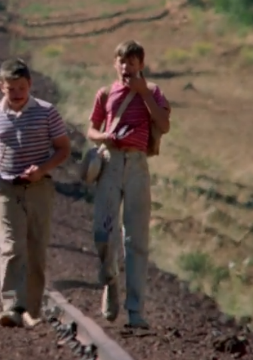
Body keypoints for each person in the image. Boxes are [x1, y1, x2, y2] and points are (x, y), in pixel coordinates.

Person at [0, 58, 71, 328]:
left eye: (21, 88)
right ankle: (11, 306)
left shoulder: (46, 112)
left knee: (36, 250)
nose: (16, 94)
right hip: (5, 188)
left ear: (30, 85)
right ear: (1, 86)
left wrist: (41, 169)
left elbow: (63, 148)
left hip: (39, 188)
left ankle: (33, 309)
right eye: (11, 88)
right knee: (11, 247)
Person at [85, 40, 171, 329]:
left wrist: (144, 93)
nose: (126, 68)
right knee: (103, 233)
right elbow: (91, 129)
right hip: (110, 163)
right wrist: (103, 137)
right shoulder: (106, 93)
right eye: (122, 63)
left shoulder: (153, 91)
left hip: (136, 167)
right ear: (115, 64)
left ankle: (136, 312)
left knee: (136, 240)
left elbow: (164, 124)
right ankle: (110, 280)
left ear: (140, 66)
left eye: (132, 63)